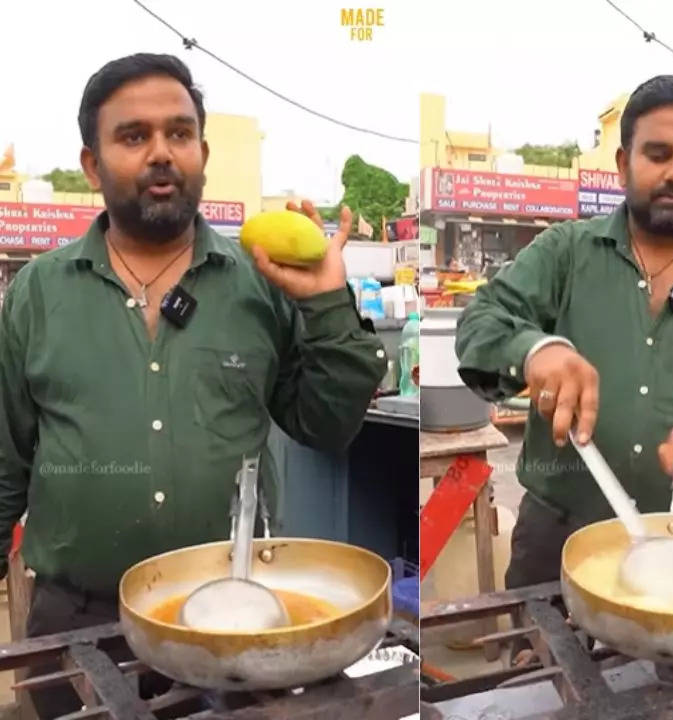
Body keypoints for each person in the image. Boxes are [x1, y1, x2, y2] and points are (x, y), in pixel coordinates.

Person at [0, 54, 388, 716]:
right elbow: (6, 460)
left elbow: (323, 425)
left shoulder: (260, 283)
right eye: (133, 136)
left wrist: (327, 303)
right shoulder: (38, 292)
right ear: (92, 164)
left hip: (237, 616)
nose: (161, 153)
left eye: (179, 134)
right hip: (74, 625)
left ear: (202, 154)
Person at [455, 75, 673, 665]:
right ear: (623, 162)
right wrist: (537, 351)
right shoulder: (564, 252)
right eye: (658, 154)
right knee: (536, 687)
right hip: (556, 541)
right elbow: (480, 325)